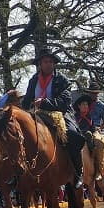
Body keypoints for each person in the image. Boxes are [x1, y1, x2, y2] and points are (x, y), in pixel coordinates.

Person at [21, 48, 84, 184]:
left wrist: (44, 102)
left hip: (59, 114)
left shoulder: (62, 80)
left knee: (73, 135)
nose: (48, 64)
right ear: (40, 64)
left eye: (51, 61)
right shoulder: (33, 80)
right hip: (36, 113)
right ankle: (18, 174)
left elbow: (64, 102)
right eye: (45, 61)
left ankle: (78, 172)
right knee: (16, 135)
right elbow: (26, 101)